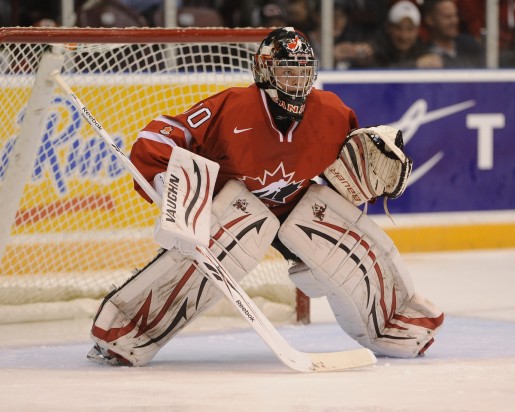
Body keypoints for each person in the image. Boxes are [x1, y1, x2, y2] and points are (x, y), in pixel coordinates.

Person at [87, 27, 444, 367]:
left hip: (294, 210)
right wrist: (173, 184)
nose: (297, 83)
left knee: (346, 246)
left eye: (304, 73)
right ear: (264, 71)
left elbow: (346, 166)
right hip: (232, 208)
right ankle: (126, 329)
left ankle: (396, 325)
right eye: (288, 72)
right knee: (237, 229)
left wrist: (365, 168)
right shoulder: (232, 108)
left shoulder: (333, 112)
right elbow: (161, 137)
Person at [373, 0, 443, 68]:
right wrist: (415, 64)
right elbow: (382, 72)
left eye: (410, 29)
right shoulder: (377, 51)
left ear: (417, 30)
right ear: (388, 28)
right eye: (398, 28)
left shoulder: (424, 51)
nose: (404, 36)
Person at [422, 0, 485, 68]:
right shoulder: (423, 54)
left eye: (455, 15)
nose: (454, 21)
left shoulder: (469, 45)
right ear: (430, 19)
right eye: (447, 17)